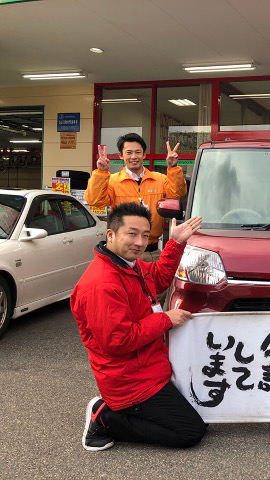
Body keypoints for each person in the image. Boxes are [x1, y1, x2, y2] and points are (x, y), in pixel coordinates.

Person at [71, 202, 207, 451]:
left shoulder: (130, 266)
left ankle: (118, 412)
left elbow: (160, 278)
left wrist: (176, 243)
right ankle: (105, 418)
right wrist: (166, 319)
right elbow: (118, 341)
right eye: (131, 234)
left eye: (145, 235)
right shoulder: (102, 284)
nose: (140, 242)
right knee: (191, 432)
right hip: (130, 382)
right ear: (111, 234)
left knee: (201, 417)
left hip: (149, 368)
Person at [84, 133, 187, 261]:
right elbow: (94, 200)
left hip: (151, 252)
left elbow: (178, 193)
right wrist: (101, 172)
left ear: (144, 155)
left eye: (138, 152)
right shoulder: (112, 181)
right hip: (121, 252)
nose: (133, 156)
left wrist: (173, 168)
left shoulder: (159, 179)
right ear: (121, 155)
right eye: (129, 152)